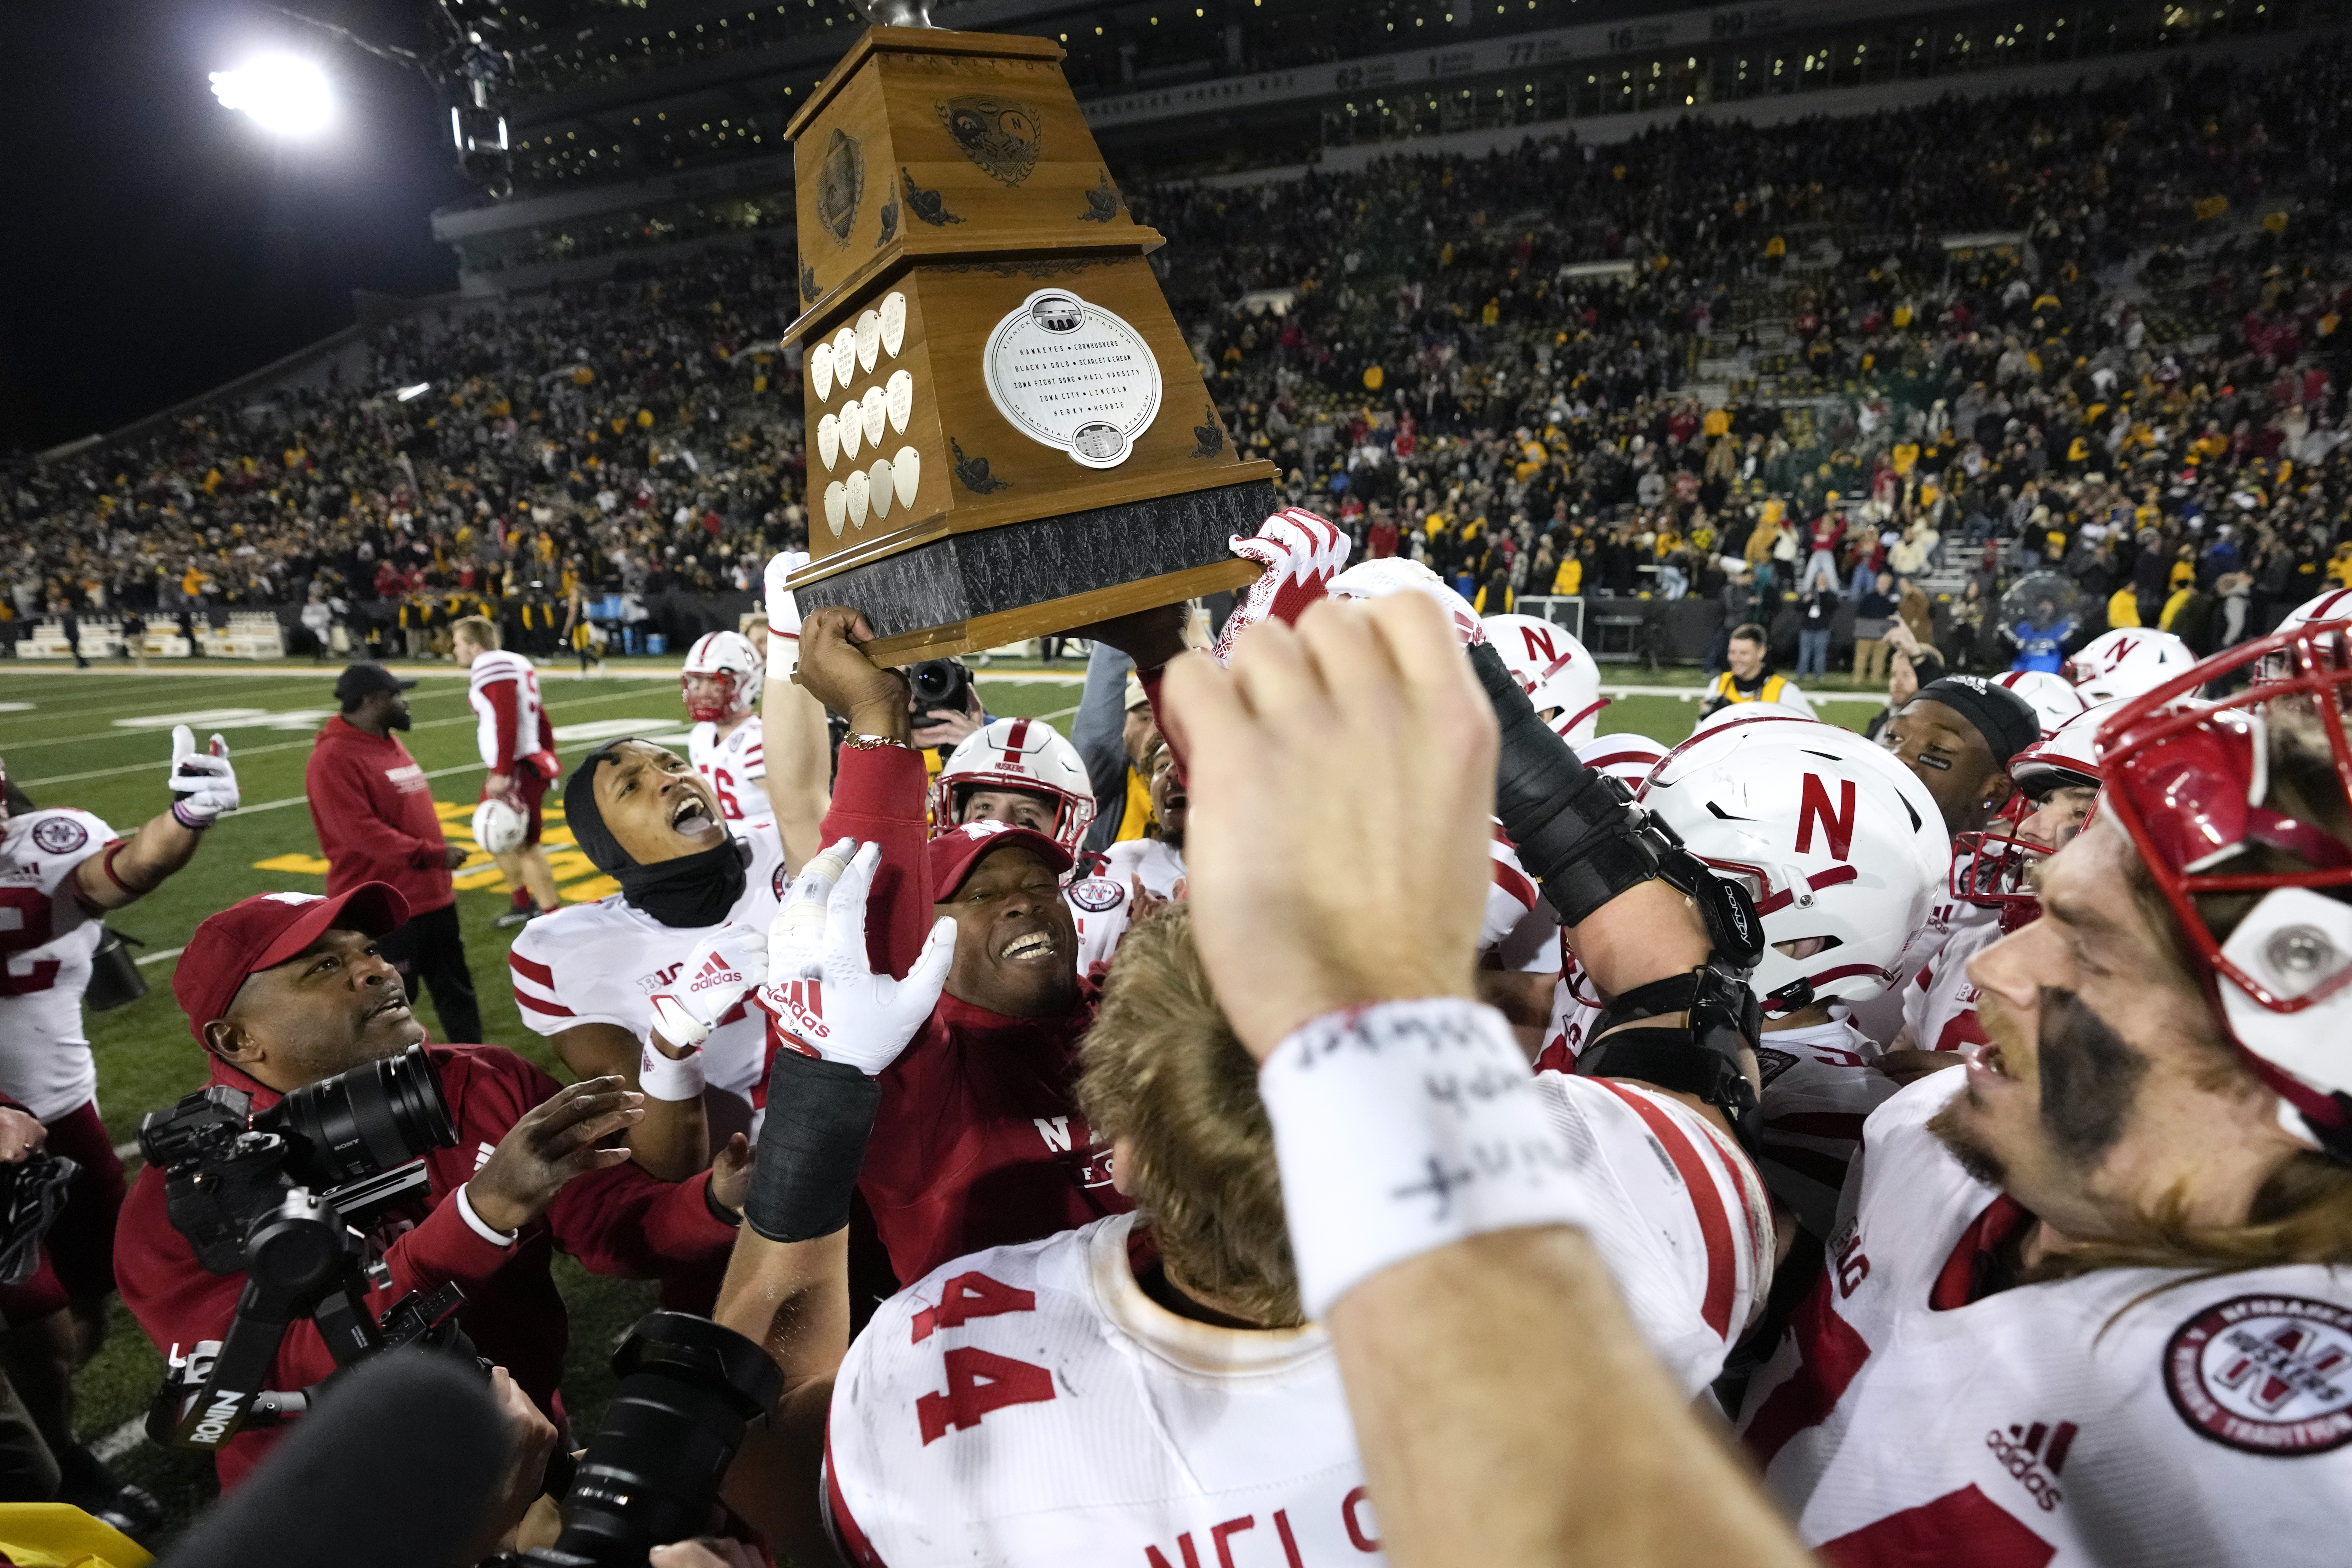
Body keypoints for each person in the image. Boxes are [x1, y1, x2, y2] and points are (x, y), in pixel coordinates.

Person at [712, 869, 1773, 1567]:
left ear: (1120, 1153)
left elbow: (752, 1449)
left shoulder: (949, 1345)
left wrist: (817, 1090)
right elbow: (1677, 995)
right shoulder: (1630, 1189)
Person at [1738, 624, 2352, 1564]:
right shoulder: (1922, 1134)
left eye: (2088, 944)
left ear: (2304, 1062)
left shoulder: (2290, 1463)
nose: (1993, 965)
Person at [114, 883, 751, 1489]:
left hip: (525, 1450)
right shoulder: (185, 1196)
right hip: (340, 1504)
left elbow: (615, 1224)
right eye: (322, 966)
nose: (376, 969)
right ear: (238, 1039)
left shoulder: (482, 1080)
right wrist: (478, 1218)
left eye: (367, 949)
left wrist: (716, 1200)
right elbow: (253, 1383)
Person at [0, 729, 237, 1530]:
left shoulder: (45, 841)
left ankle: (47, 1422)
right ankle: (57, 1460)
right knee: (33, 1313)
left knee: (86, 1293)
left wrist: (185, 817)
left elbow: (127, 868)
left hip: (64, 1113)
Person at [305, 663, 479, 1046]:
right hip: (382, 905)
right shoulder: (332, 758)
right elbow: (361, 833)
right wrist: (432, 855)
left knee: (456, 992)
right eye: (396, 696)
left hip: (432, 898)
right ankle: (400, 1088)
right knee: (387, 1005)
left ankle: (477, 1066)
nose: (404, 703)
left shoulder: (386, 740)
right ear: (372, 701)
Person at [451, 616, 561, 928]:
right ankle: (524, 903)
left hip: (515, 767)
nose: (454, 650)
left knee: (525, 845)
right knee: (494, 835)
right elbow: (539, 714)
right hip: (524, 762)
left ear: (474, 646)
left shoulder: (490, 664)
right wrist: (547, 751)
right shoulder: (514, 661)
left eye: (458, 644)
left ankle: (553, 918)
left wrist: (502, 771)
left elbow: (506, 717)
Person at [681, 628, 771, 827]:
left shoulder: (757, 741)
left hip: (770, 844)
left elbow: (795, 813)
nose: (702, 692)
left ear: (747, 684)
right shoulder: (701, 735)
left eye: (715, 682)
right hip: (726, 839)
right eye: (697, 681)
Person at [1698, 622, 1817, 721]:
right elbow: (1700, 734)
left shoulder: (1784, 691)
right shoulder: (1719, 685)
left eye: (1744, 653)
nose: (1736, 659)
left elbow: (1814, 731)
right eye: (1732, 652)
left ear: (1761, 652)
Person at [1853, 570, 1898, 687]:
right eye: (1881, 582)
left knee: (1879, 660)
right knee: (1861, 658)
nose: (1883, 584)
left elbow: (1894, 616)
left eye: (1886, 582)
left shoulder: (1892, 600)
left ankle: (1875, 682)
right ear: (1877, 582)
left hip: (1883, 634)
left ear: (1890, 584)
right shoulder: (1868, 597)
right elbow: (1859, 614)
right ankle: (1857, 681)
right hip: (1866, 634)